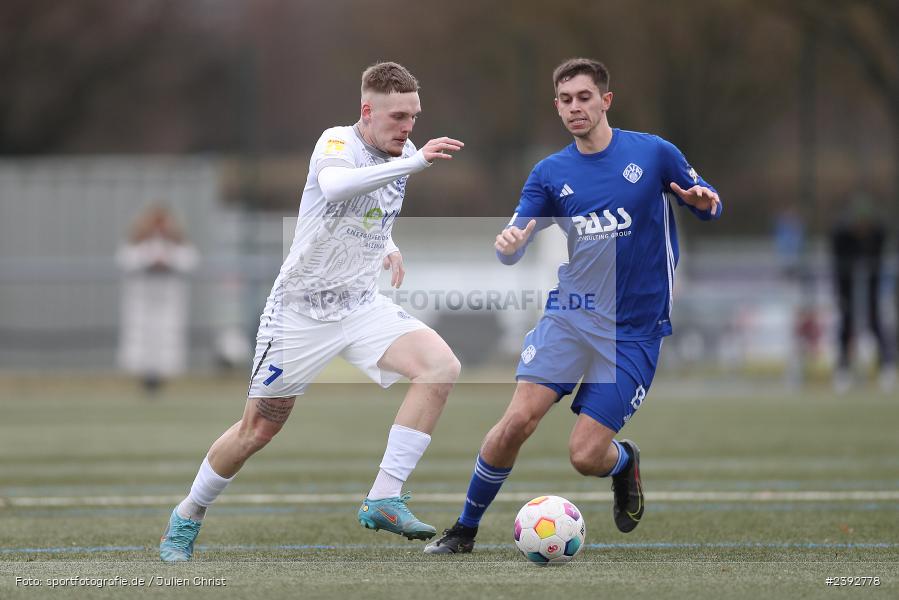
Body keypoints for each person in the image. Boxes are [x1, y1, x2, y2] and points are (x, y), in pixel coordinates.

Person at [160, 61, 465, 562]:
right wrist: (415, 163)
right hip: (299, 313)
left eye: (414, 116)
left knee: (440, 367)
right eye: (396, 117)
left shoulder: (406, 151)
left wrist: (387, 242)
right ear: (367, 111)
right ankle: (188, 514)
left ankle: (384, 496)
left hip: (361, 306)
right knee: (257, 429)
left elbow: (367, 207)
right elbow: (337, 188)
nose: (408, 128)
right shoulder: (337, 142)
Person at [424, 58, 722, 554]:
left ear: (606, 100)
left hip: (635, 331)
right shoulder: (550, 173)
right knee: (517, 420)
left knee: (585, 456)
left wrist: (703, 201)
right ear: (557, 107)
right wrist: (509, 244)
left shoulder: (652, 153)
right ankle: (464, 530)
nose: (574, 108)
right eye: (565, 100)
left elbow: (711, 203)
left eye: (584, 97)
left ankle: (624, 462)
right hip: (573, 314)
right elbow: (515, 240)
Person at [117, 204, 198, 394]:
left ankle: (163, 382)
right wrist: (148, 260)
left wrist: (168, 259)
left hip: (168, 304)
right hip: (142, 304)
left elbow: (190, 261)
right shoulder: (138, 242)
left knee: (167, 342)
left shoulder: (176, 244)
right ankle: (142, 381)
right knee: (141, 342)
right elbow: (125, 260)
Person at [829, 193, 894, 393]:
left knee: (876, 324)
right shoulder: (841, 235)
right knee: (846, 325)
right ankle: (843, 370)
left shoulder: (877, 233)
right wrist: (841, 293)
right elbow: (838, 265)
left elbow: (877, 262)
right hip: (847, 287)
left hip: (871, 287)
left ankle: (886, 369)